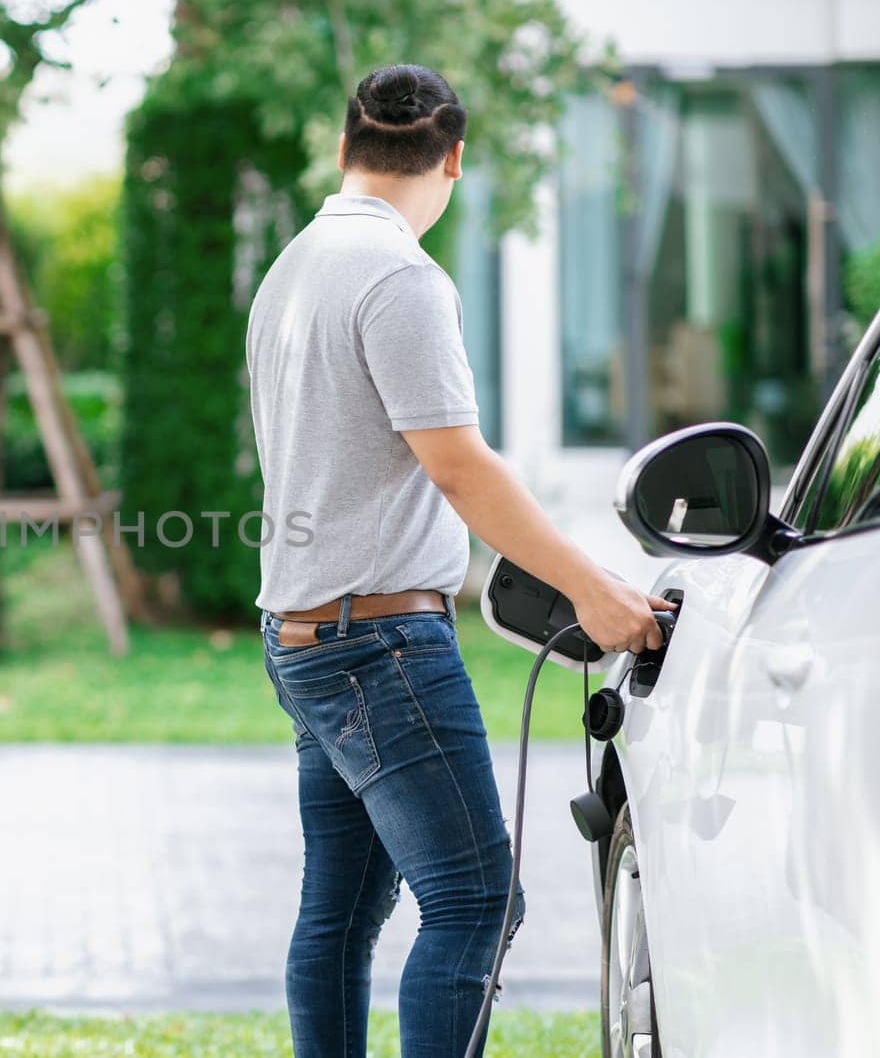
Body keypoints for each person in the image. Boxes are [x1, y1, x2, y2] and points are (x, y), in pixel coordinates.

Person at [246, 64, 676, 1057]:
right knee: (476, 896)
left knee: (339, 914)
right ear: (453, 158)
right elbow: (455, 462)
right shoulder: (397, 275)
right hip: (378, 644)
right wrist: (587, 583)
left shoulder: (294, 266)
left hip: (305, 637)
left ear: (345, 148)